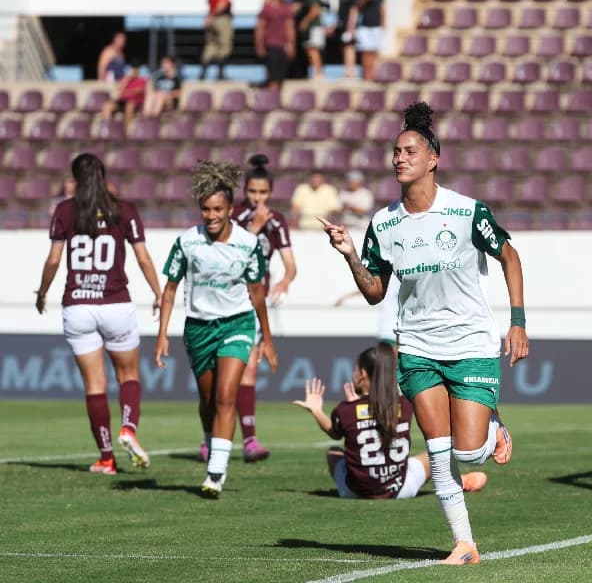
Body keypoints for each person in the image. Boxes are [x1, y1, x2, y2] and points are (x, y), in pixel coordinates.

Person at [319, 102, 529, 564]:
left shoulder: (467, 211)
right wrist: (352, 255)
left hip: (471, 343)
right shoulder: (384, 223)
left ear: (433, 158)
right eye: (395, 151)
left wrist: (518, 322)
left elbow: (510, 257)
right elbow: (375, 292)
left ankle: (493, 432)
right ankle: (465, 543)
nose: (399, 158)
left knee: (470, 454)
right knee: (438, 451)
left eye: (409, 150)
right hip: (416, 347)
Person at [155, 160, 278, 498]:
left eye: (218, 209)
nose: (211, 216)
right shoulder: (187, 242)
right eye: (206, 209)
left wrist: (266, 338)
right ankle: (212, 443)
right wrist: (162, 334)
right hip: (198, 329)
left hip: (237, 324)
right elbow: (170, 289)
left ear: (229, 209)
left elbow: (257, 293)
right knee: (208, 400)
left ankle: (215, 474)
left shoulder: (247, 244)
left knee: (226, 396)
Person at [35, 153, 163, 475]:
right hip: (116, 304)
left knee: (95, 385)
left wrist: (42, 292)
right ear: (104, 177)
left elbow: (53, 260)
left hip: (77, 306)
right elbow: (144, 258)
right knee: (129, 376)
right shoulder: (125, 209)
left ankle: (106, 457)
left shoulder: (65, 210)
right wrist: (159, 294)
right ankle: (128, 429)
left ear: (75, 179)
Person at [197, 154, 296, 463]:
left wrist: (284, 281)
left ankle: (250, 440)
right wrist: (254, 229)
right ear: (245, 192)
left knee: (249, 371)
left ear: (270, 193)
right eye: (252, 192)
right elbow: (225, 254)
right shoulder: (235, 217)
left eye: (263, 193)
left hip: (252, 303)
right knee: (215, 378)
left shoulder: (277, 220)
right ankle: (209, 438)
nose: (257, 198)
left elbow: (291, 264)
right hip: (223, 300)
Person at [293, 344, 488, 499]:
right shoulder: (406, 403)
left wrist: (317, 410)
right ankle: (456, 482)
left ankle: (456, 481)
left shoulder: (345, 410)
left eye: (355, 368)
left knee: (334, 452)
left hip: (354, 492)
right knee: (432, 455)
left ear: (362, 374)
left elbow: (335, 433)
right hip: (401, 489)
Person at [255, 0, 296, 90]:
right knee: (272, 76)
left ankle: (276, 99)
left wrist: (291, 44)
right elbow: (260, 28)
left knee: (281, 77)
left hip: (283, 46)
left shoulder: (286, 9)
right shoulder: (267, 9)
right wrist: (259, 45)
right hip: (271, 44)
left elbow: (290, 28)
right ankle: (271, 101)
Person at [200, 0, 233, 80]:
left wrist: (210, 17)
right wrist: (213, 15)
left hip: (212, 19)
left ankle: (203, 73)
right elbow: (221, 4)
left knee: (211, 45)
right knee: (224, 45)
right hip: (221, 19)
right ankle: (220, 74)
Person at [352, 0, 385, 81]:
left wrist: (383, 25)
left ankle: (375, 76)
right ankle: (366, 76)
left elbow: (382, 8)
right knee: (366, 53)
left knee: (375, 52)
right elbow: (357, 8)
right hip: (364, 27)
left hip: (376, 27)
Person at [293, 0, 325, 80]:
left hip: (313, 27)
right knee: (311, 50)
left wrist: (305, 22)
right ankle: (317, 73)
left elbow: (315, 10)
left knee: (313, 50)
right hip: (314, 28)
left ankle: (318, 74)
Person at [100, 64, 147, 129]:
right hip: (122, 101)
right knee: (107, 106)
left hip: (134, 102)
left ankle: (124, 130)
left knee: (130, 106)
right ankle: (108, 128)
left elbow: (138, 91)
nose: (132, 71)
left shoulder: (142, 80)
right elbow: (119, 88)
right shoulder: (125, 79)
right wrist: (127, 80)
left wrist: (126, 91)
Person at [334, 0, 359, 78]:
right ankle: (347, 70)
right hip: (342, 26)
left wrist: (351, 27)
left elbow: (353, 11)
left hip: (348, 27)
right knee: (345, 48)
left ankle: (351, 71)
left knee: (349, 48)